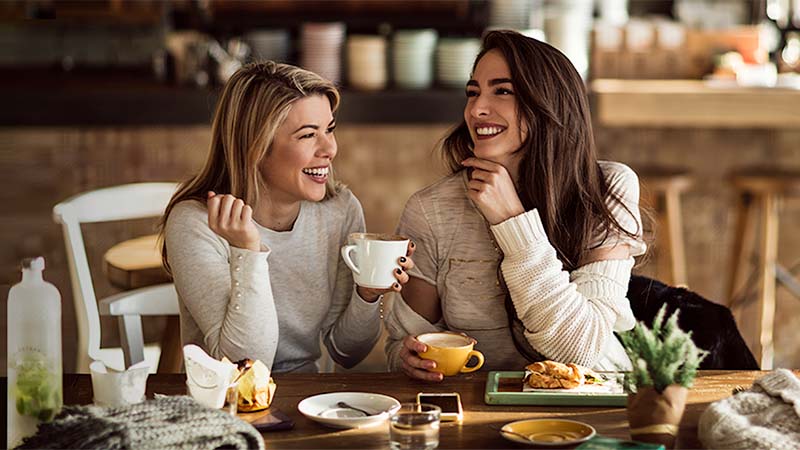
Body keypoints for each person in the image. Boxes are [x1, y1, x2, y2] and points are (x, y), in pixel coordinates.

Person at [384, 30, 647, 381]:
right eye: (473, 92)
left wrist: (513, 221)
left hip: (591, 405)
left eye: (502, 91)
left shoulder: (606, 189)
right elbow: (403, 344)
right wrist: (408, 358)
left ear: (548, 104)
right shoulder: (431, 209)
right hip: (475, 408)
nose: (476, 109)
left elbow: (581, 350)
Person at [160, 61, 414, 373]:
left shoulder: (340, 210)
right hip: (226, 404)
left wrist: (367, 294)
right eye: (308, 135)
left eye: (330, 129)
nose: (330, 148)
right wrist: (247, 251)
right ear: (255, 146)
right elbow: (246, 365)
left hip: (309, 402)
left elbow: (348, 352)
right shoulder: (198, 223)